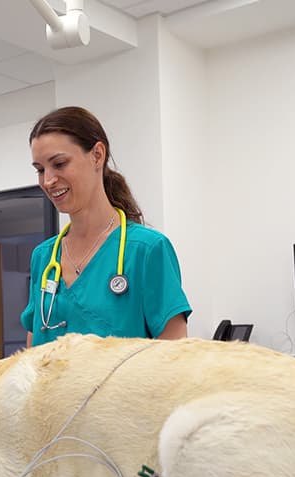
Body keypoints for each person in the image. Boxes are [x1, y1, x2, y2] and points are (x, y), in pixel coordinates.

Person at [21, 106, 192, 347]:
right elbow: (32, 354)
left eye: (59, 164)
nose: (47, 180)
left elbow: (176, 356)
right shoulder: (44, 257)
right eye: (40, 170)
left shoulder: (147, 250)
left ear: (97, 155)